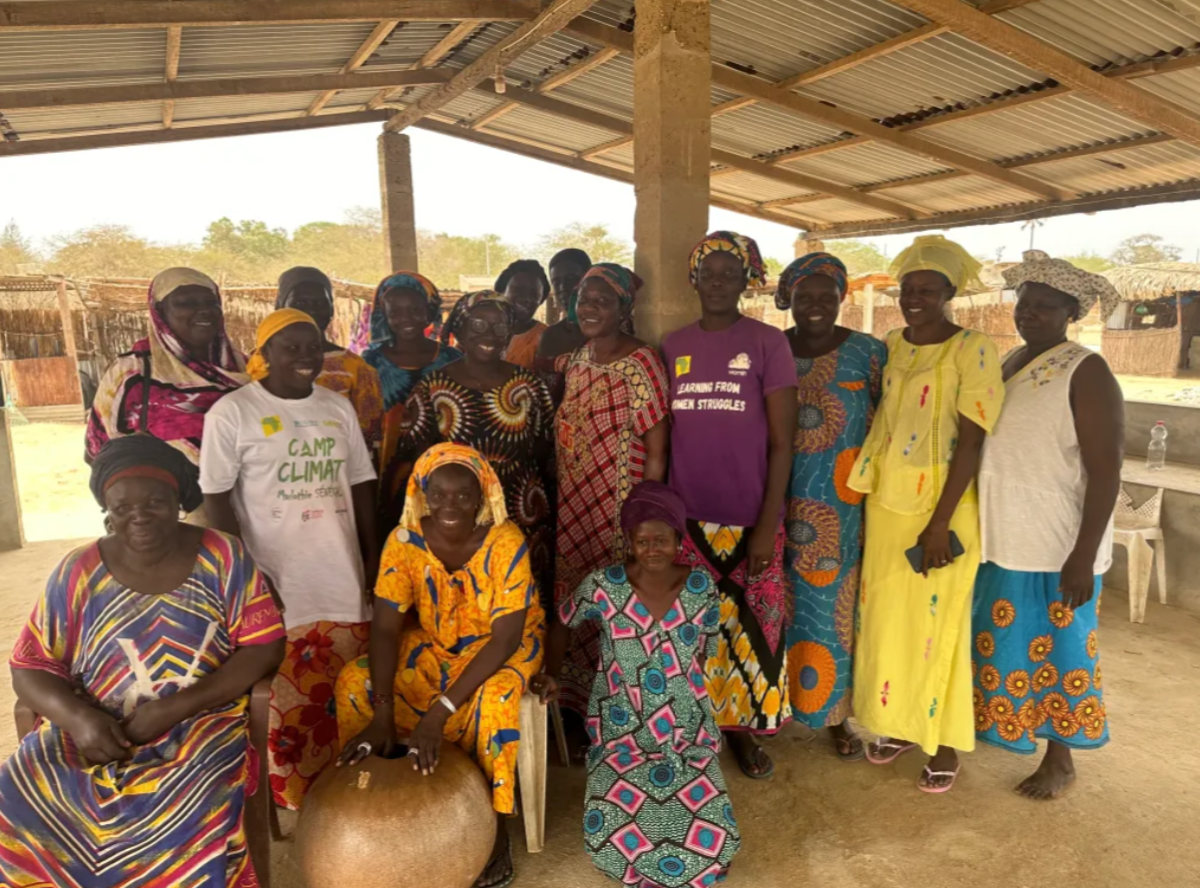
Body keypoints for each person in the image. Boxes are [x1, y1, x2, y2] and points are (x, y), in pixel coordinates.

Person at [0, 435, 285, 887]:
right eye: (122, 506)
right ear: (106, 509)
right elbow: (30, 665)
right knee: (22, 789)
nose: (139, 516)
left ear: (177, 502)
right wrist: (80, 720)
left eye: (155, 501)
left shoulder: (223, 555)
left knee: (189, 802)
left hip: (201, 719)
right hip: (95, 722)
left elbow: (265, 645)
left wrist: (175, 707)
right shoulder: (77, 570)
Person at [337, 444, 544, 888]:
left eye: (463, 495)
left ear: (482, 495)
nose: (451, 505)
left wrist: (440, 711)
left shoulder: (505, 541)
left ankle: (494, 827)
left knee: (497, 699)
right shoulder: (404, 540)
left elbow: (507, 638)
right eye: (440, 494)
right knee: (355, 681)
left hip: (502, 647)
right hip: (437, 641)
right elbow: (387, 630)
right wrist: (383, 709)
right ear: (423, 494)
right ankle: (374, 802)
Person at [201, 309, 380, 810]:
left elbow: (362, 482)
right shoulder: (234, 413)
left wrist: (370, 554)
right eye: (290, 347)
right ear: (265, 354)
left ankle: (352, 789)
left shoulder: (336, 406)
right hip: (276, 574)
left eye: (312, 347)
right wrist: (247, 576)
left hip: (338, 568)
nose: (305, 357)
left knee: (346, 683)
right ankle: (299, 798)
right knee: (284, 696)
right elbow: (217, 500)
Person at [848, 235, 1005, 793]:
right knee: (890, 623)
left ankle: (943, 744)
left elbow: (971, 441)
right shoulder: (892, 343)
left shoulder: (973, 348)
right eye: (907, 289)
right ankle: (897, 723)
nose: (913, 298)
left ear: (949, 294)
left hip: (945, 507)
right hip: (887, 501)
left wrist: (939, 524)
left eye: (926, 290)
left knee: (939, 626)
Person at [532, 481, 741, 888]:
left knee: (716, 837)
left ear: (679, 539)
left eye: (661, 539)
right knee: (607, 835)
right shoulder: (603, 585)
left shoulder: (701, 589)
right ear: (629, 540)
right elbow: (562, 622)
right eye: (642, 540)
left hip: (684, 730)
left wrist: (681, 692)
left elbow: (705, 647)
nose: (652, 549)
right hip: (620, 728)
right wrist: (552, 673)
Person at [973, 251, 1123, 799]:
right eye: (1024, 303)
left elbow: (1107, 469)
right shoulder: (1012, 360)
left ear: (1070, 312)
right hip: (1006, 537)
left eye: (1045, 306)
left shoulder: (1086, 369)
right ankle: (1014, 731)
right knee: (1010, 645)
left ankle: (1060, 759)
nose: (1029, 313)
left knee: (1062, 650)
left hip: (1057, 546)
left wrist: (1082, 555)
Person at [662, 231, 798, 780]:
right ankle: (699, 731)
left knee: (750, 632)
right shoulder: (672, 345)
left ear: (747, 280)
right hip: (688, 518)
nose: (717, 281)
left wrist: (767, 525)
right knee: (693, 632)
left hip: (750, 517)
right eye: (708, 272)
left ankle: (742, 734)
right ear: (693, 279)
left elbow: (783, 442)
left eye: (729, 272)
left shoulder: (768, 343)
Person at [777, 253, 887, 759]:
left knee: (835, 611)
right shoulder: (773, 348)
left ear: (842, 297)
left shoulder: (868, 351)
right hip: (778, 495)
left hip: (844, 505)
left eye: (826, 296)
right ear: (790, 299)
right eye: (805, 296)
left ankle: (836, 715)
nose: (815, 305)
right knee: (779, 605)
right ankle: (776, 707)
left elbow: (889, 422)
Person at [553, 263, 670, 714]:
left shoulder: (641, 363)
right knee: (577, 596)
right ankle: (574, 701)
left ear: (623, 309)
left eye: (603, 301)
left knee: (614, 601)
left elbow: (657, 449)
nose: (590, 308)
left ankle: (613, 710)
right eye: (585, 299)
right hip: (574, 503)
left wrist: (644, 519)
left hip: (618, 509)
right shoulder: (580, 357)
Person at [402, 291, 556, 605]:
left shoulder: (529, 385)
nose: (490, 336)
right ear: (459, 328)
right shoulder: (432, 387)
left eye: (500, 328)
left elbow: (544, 449)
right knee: (462, 602)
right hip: (454, 515)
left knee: (518, 602)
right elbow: (417, 461)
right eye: (479, 325)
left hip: (521, 510)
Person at [85, 267, 247, 521]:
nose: (203, 310)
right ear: (159, 313)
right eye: (186, 303)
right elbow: (99, 452)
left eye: (210, 302)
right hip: (173, 524)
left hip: (257, 514)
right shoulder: (133, 374)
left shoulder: (245, 369)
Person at [360, 271, 461, 507]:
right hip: (388, 467)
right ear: (384, 314)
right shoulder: (370, 363)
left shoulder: (451, 358)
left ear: (429, 311)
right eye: (395, 312)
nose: (407, 319)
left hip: (445, 467)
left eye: (415, 310)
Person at [276, 265, 384, 459]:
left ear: (332, 308)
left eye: (320, 303)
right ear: (280, 306)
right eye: (300, 303)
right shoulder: (257, 363)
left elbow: (368, 442)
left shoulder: (356, 369)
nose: (310, 310)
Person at [536, 248, 592, 372]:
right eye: (556, 282)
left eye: (571, 278)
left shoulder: (611, 333)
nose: (562, 287)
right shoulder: (551, 337)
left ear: (588, 279)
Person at [494, 259, 551, 370]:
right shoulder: (482, 329)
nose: (526, 298)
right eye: (519, 290)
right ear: (501, 292)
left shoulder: (547, 339)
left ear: (541, 300)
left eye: (535, 294)